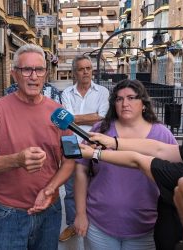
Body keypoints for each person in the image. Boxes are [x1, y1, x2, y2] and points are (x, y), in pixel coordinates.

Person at [0, 44, 75, 250]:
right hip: (8, 213)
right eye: (26, 70)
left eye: (39, 70)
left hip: (50, 211)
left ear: (45, 73)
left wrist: (49, 190)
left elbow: (70, 160)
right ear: (14, 74)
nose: (33, 76)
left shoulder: (60, 112)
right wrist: (17, 160)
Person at [74, 79, 177, 250]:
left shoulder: (162, 134)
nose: (124, 103)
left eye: (131, 98)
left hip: (145, 227)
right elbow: (81, 170)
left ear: (143, 103)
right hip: (99, 224)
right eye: (119, 99)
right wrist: (80, 213)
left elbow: (175, 174)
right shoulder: (101, 129)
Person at [59, 55, 109, 242]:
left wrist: (75, 118)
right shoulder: (67, 93)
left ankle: (95, 222)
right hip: (72, 143)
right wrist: (93, 116)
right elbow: (65, 121)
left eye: (88, 68)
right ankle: (72, 224)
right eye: (81, 69)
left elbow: (103, 117)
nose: (86, 72)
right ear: (75, 72)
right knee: (71, 188)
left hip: (96, 142)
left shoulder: (102, 92)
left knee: (97, 185)